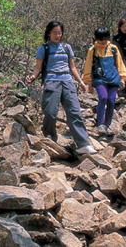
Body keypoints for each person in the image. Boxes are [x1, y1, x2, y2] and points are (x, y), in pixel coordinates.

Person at [26, 21, 96, 155]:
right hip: (52, 81)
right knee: (51, 112)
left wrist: (81, 82)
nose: (57, 35)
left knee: (74, 112)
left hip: (67, 81)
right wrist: (32, 77)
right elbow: (37, 67)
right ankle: (50, 139)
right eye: (54, 33)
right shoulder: (44, 48)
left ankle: (83, 144)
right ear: (48, 33)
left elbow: (72, 67)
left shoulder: (66, 47)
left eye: (59, 33)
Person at [83, 27, 126, 136]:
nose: (103, 41)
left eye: (105, 38)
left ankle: (107, 125)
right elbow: (88, 66)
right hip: (99, 78)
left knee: (111, 101)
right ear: (96, 38)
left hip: (113, 78)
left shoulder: (113, 48)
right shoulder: (93, 50)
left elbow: (120, 63)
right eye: (100, 39)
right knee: (103, 97)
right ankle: (100, 124)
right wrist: (88, 82)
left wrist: (122, 78)